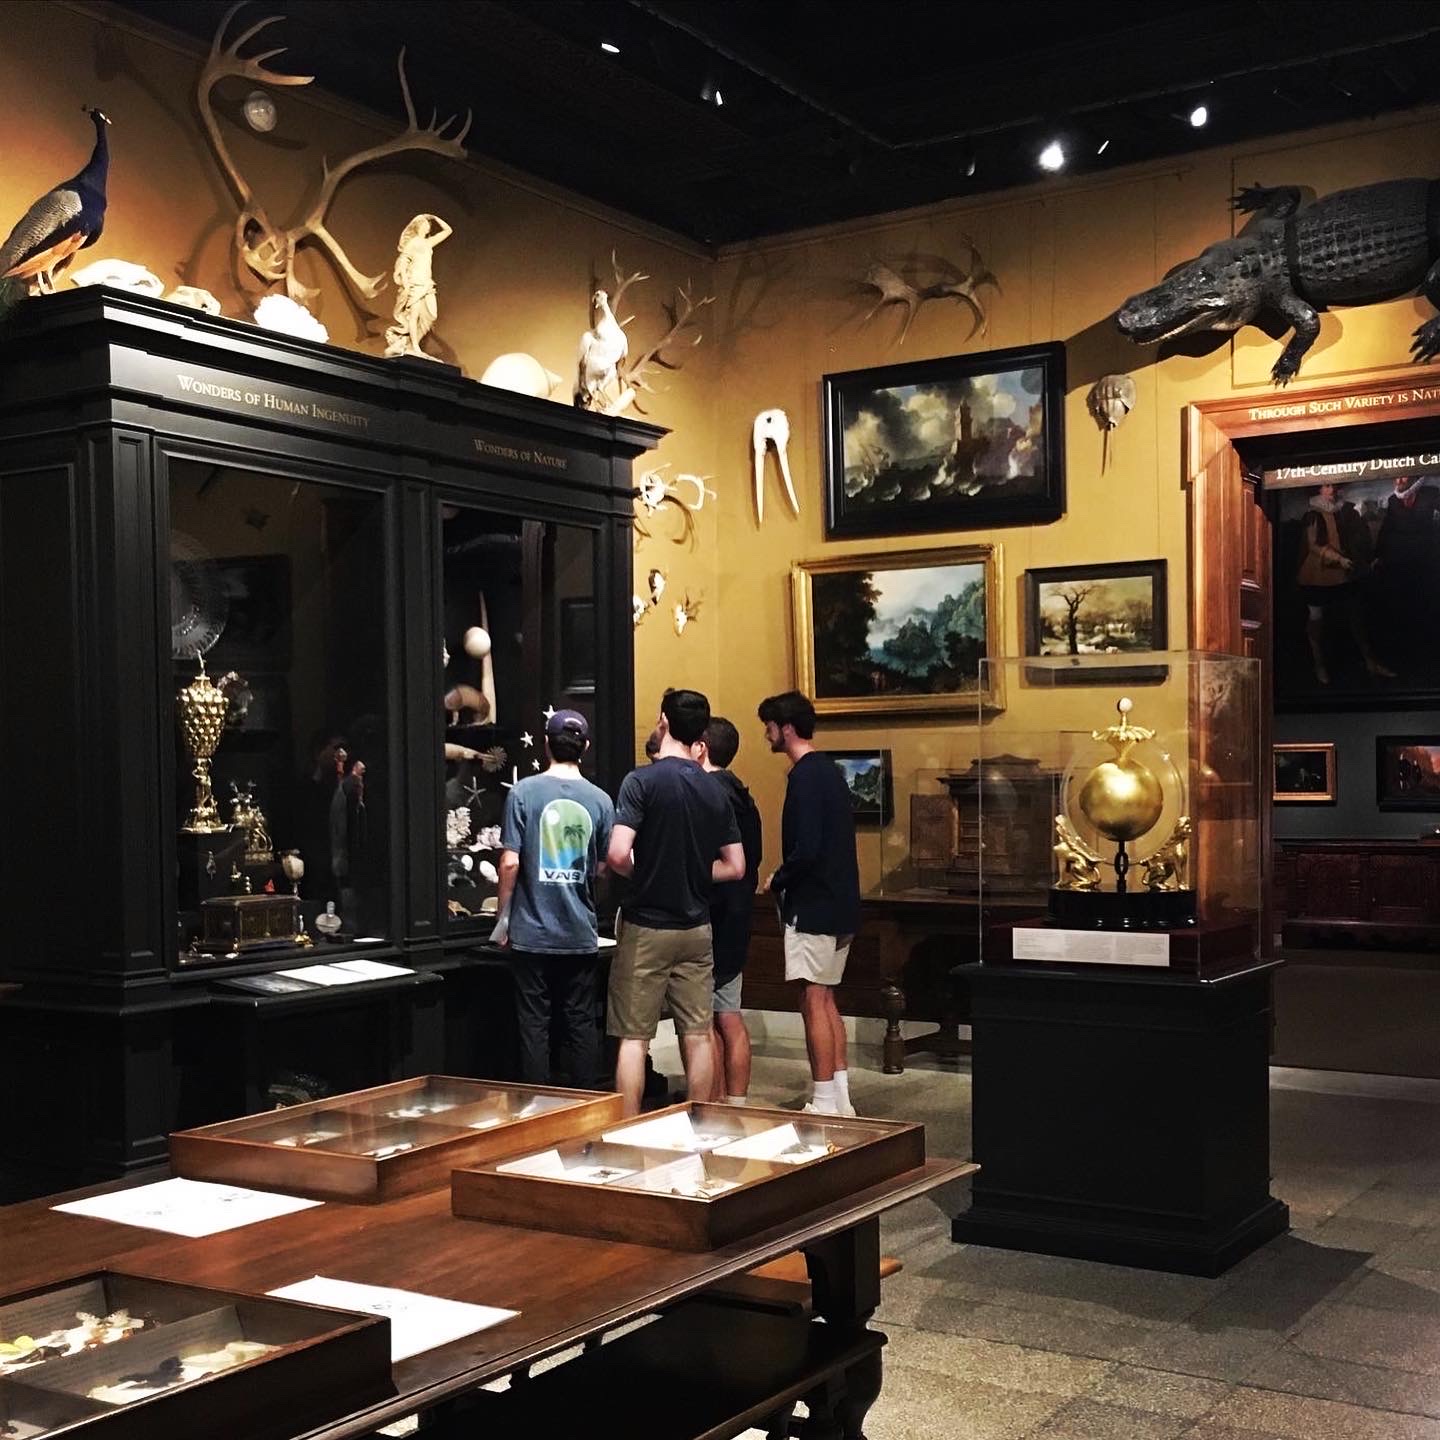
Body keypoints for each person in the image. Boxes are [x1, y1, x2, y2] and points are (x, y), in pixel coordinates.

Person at [607, 690, 745, 1115]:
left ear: (663, 720)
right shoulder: (713, 787)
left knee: (634, 1036)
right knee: (699, 1031)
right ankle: (701, 1124)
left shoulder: (641, 781)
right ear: (700, 733)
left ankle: (628, 1128)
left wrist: (646, 873)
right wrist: (693, 875)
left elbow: (616, 853)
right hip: (697, 927)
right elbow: (735, 866)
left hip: (647, 924)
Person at [494, 710, 614, 1089]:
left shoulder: (523, 793)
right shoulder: (600, 801)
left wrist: (503, 917)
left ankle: (536, 1106)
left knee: (533, 1022)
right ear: (586, 748)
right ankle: (585, 1104)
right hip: (579, 931)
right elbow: (602, 868)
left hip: (531, 932)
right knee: (581, 1021)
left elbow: (510, 863)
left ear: (545, 743)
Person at [758, 690, 861, 1118]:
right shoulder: (831, 772)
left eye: (769, 727)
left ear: (785, 728)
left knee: (812, 998)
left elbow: (807, 848)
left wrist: (776, 879)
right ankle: (840, 1098)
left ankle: (822, 1101)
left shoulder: (803, 777)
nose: (766, 735)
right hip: (841, 903)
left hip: (813, 905)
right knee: (828, 998)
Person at [696, 716, 762, 1105]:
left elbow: (705, 857)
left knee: (703, 1021)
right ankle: (737, 1102)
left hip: (711, 916)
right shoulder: (743, 795)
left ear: (701, 746)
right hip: (739, 913)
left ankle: (715, 1103)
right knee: (730, 1014)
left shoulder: (708, 794)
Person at [1295, 481, 1392, 686]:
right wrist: (1338, 559)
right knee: (1316, 620)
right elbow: (1312, 545)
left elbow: (1354, 538)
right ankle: (1319, 664)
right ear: (1318, 490)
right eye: (1326, 486)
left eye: (1333, 486)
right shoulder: (1312, 514)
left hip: (1343, 572)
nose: (1331, 490)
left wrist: (1360, 558)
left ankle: (1370, 661)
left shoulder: (1343, 511)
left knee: (1355, 614)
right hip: (1318, 574)